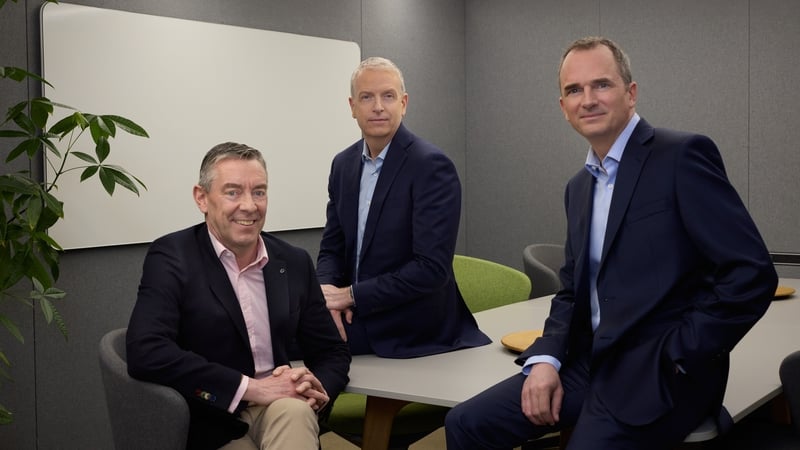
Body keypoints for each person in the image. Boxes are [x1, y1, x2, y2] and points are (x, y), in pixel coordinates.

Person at [445, 37, 778, 449]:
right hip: (588, 363)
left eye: (601, 85)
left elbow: (751, 274)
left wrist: (678, 355)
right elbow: (570, 292)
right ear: (563, 107)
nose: (587, 99)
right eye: (573, 90)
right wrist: (546, 359)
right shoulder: (579, 187)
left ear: (630, 93)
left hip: (657, 374)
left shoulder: (681, 157)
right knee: (465, 423)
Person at [126, 142, 351, 450]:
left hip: (281, 409)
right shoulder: (172, 257)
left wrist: (313, 389)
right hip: (211, 414)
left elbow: (331, 352)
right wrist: (254, 388)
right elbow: (146, 351)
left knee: (296, 411)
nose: (249, 205)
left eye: (259, 191)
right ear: (202, 198)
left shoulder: (293, 261)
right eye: (233, 192)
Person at [316, 56, 490, 358]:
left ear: (404, 103)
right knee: (276, 333)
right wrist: (326, 295)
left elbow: (430, 269)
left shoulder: (431, 166)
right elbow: (333, 246)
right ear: (352, 106)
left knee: (292, 345)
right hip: (353, 311)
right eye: (366, 97)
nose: (378, 106)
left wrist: (351, 296)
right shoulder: (342, 165)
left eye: (388, 96)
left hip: (411, 322)